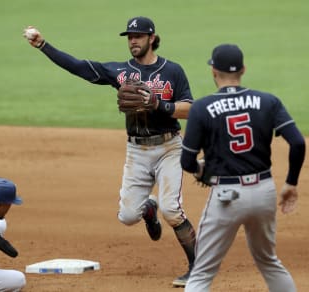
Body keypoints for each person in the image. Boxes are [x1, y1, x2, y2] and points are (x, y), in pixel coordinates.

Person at [23, 16, 196, 286]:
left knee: (172, 211)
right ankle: (148, 210)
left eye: (138, 36)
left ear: (152, 38)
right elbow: (79, 67)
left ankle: (197, 269)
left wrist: (157, 103)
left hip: (168, 147)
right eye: (129, 37)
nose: (133, 41)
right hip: (137, 151)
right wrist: (43, 45)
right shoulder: (120, 71)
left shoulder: (172, 71)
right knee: (127, 217)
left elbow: (190, 109)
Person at [180, 43, 306, 291]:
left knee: (202, 273)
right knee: (270, 262)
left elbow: (187, 162)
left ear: (213, 71)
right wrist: (291, 183)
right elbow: (298, 143)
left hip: (226, 196)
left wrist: (202, 171)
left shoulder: (202, 108)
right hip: (264, 192)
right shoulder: (268, 101)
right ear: (243, 70)